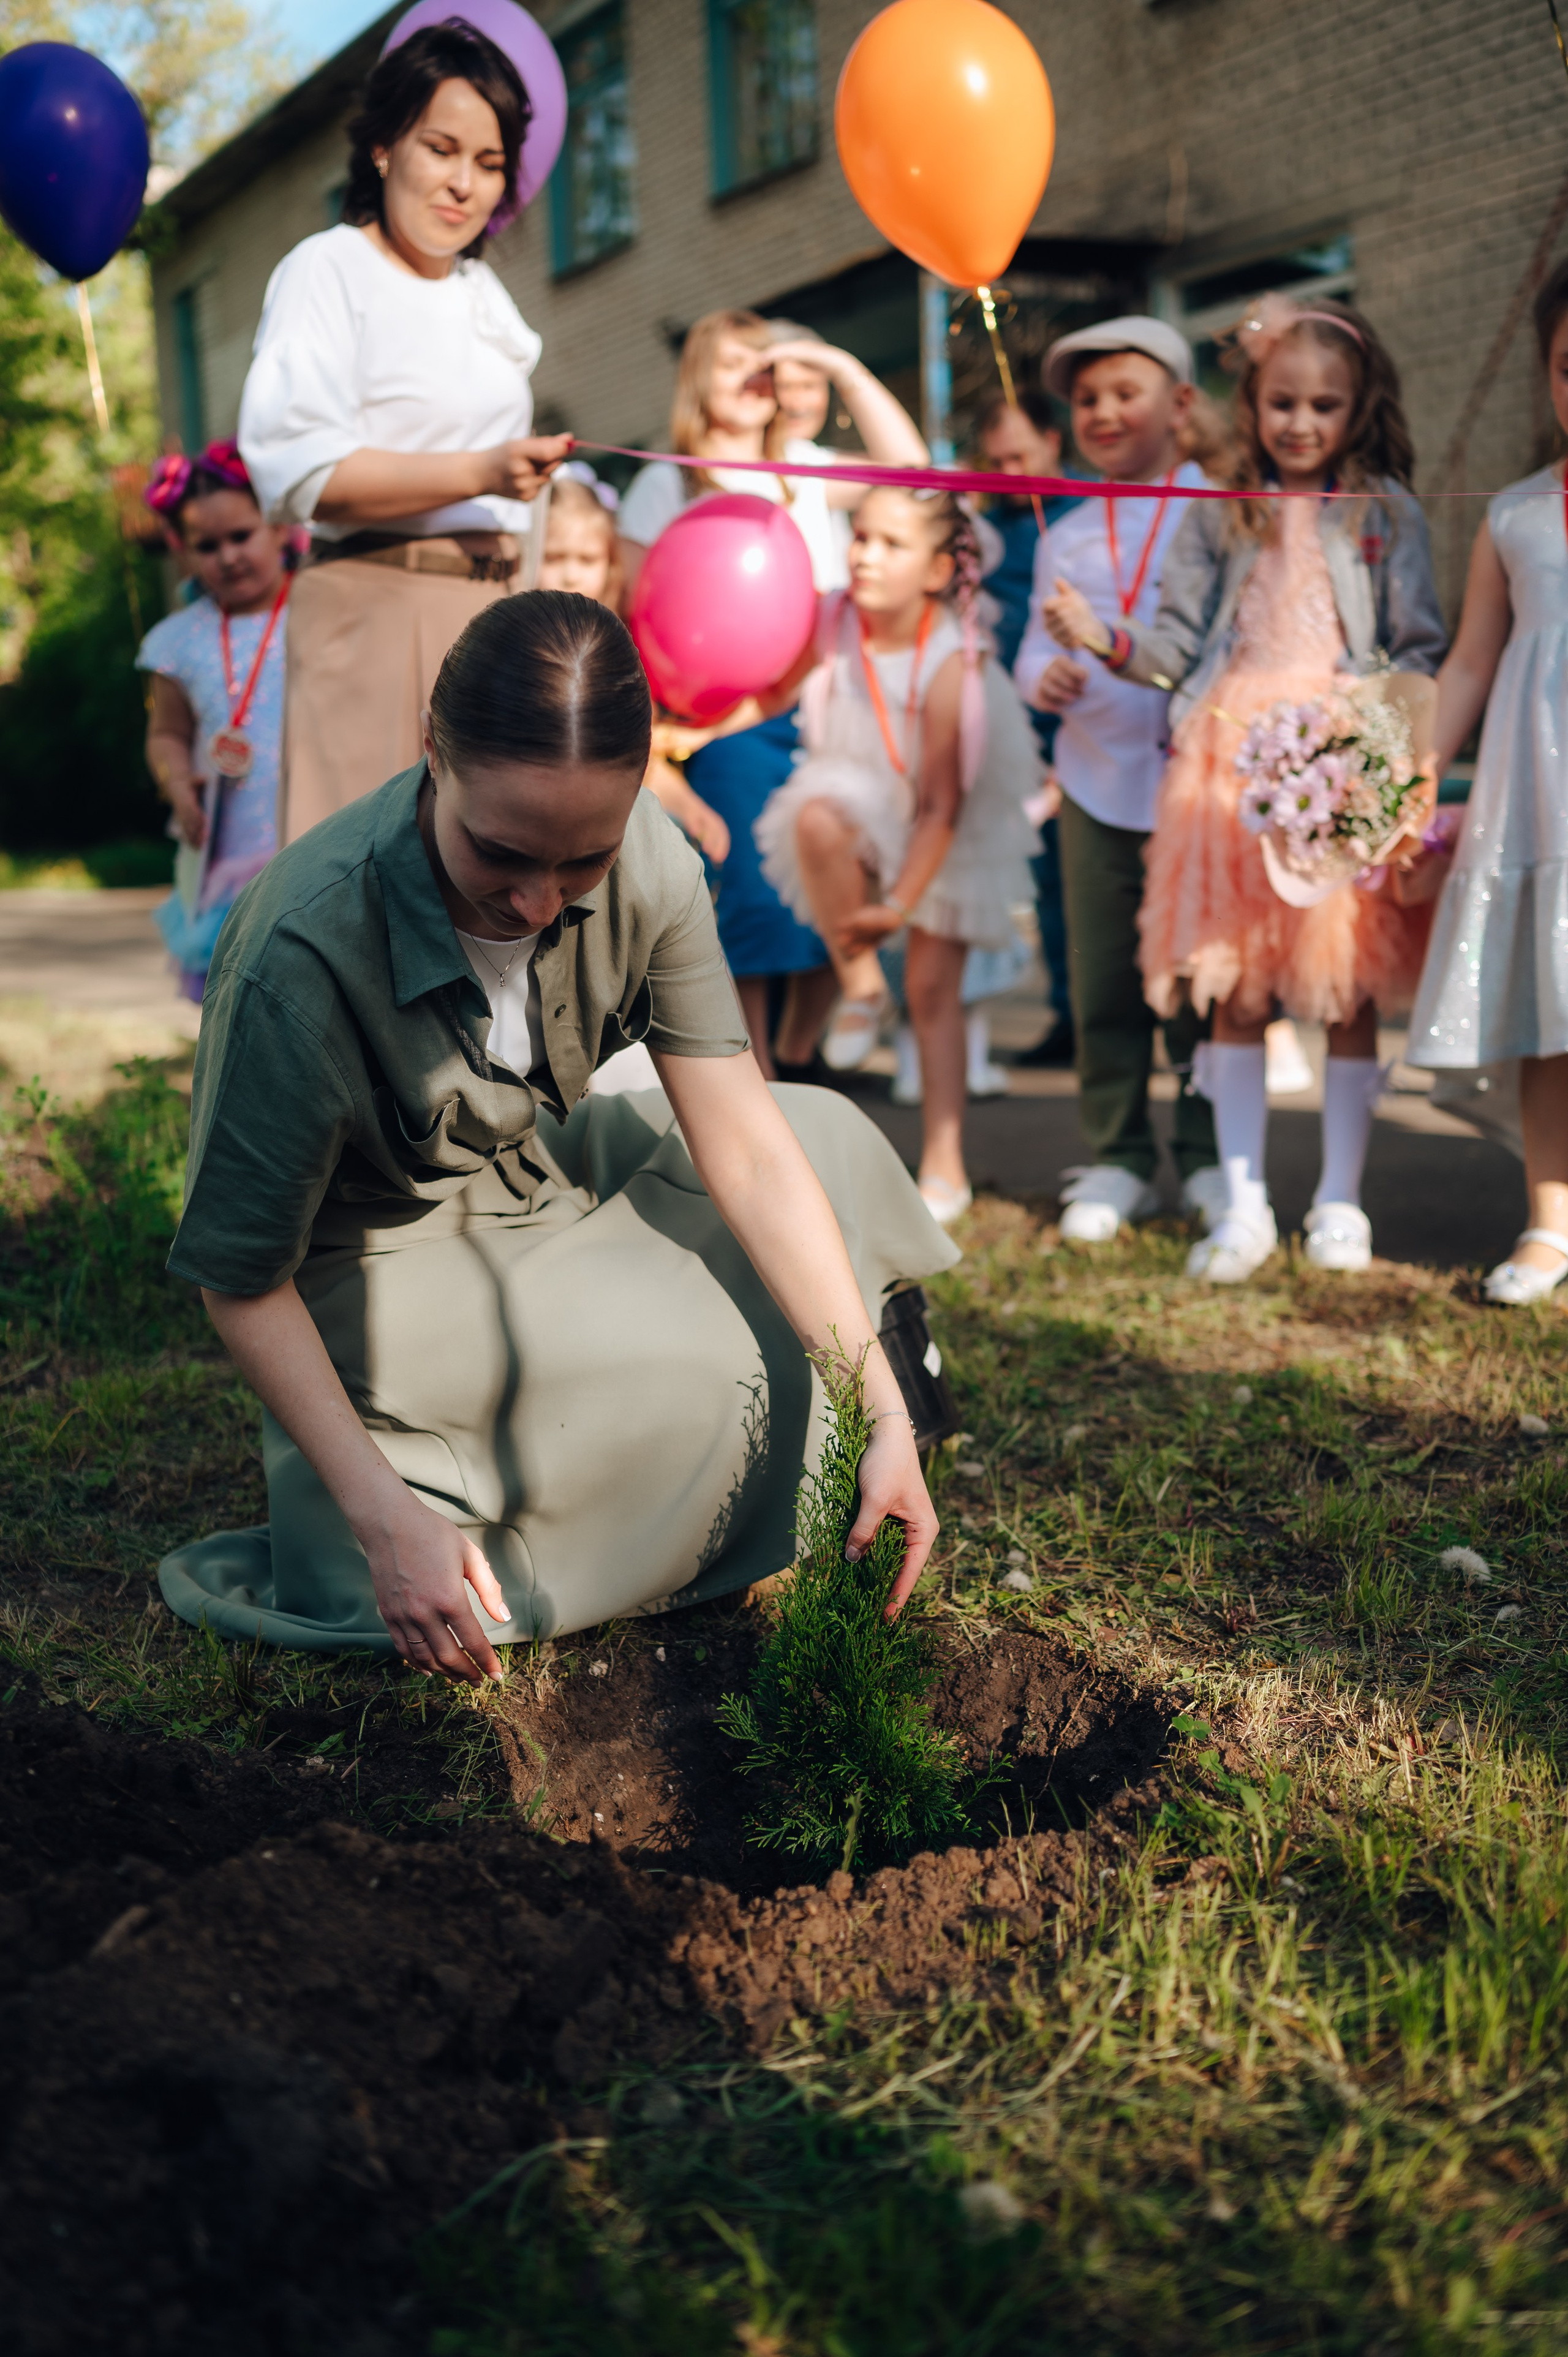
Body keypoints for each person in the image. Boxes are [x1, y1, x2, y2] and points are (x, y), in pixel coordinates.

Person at [156, 591, 954, 1667]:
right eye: (502, 855)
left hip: (534, 1177)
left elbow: (752, 1147)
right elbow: (241, 1280)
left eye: (584, 862)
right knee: (690, 1367)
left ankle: (866, 1424)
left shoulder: (657, 860)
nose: (539, 903)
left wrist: (882, 1407)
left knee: (829, 1136)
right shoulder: (300, 950)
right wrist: (384, 1517)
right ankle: (736, 1449)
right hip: (379, 1257)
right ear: (433, 752)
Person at [1044, 295, 1446, 1281]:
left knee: (1344, 983)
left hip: (1344, 756)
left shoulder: (1385, 515)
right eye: (1281, 403)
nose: (1301, 424)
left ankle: (1341, 1200)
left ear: (1360, 408)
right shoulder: (1221, 512)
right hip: (1230, 762)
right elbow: (1179, 646)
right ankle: (1246, 1205)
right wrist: (1109, 641)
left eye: (1325, 405)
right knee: (1237, 980)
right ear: (1251, 404)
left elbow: (1422, 644)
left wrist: (1387, 747)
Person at [237, 21, 570, 843]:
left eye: (489, 164)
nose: (464, 183)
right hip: (373, 607)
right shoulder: (330, 268)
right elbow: (298, 475)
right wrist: (483, 472)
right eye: (441, 148)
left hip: (495, 615)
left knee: (500, 907)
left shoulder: (484, 295)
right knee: (365, 908)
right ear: (384, 147)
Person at [616, 310, 928, 1079]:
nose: (756, 375)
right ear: (697, 380)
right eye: (734, 364)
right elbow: (632, 601)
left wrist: (841, 367)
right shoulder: (667, 478)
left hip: (828, 711)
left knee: (840, 889)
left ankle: (800, 1060)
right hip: (728, 721)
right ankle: (748, 1082)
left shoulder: (804, 467)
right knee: (752, 907)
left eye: (767, 363)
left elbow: (914, 471)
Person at [753, 487, 1040, 1224]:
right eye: (860, 534)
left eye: (889, 544)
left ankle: (944, 1164)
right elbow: (768, 687)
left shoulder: (951, 662)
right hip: (860, 787)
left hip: (951, 811)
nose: (864, 554)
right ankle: (860, 988)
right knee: (813, 815)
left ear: (940, 570)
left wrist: (898, 905)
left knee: (934, 988)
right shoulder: (830, 618)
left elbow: (943, 805)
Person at [1014, 318, 1220, 1243]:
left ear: (1180, 404)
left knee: (1202, 989)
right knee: (1102, 982)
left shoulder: (1222, 508)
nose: (1101, 412)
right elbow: (1028, 650)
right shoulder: (1062, 532)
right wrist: (1043, 679)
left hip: (1200, 791)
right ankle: (1120, 1154)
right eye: (1086, 399)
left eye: (1123, 393)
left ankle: (1216, 1154)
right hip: (1095, 785)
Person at [1405, 259, 1568, 1304]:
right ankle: (1552, 1220)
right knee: (1553, 1017)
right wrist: (1417, 771)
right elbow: (1469, 658)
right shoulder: (1514, 514)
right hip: (1544, 794)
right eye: (1567, 367)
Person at [138, 440, 293, 1000]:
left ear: (278, 526)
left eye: (241, 536)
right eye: (207, 545)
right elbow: (168, 733)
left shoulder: (321, 613)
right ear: (183, 551)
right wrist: (176, 782)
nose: (227, 557)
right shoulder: (177, 641)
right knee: (241, 1007)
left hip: (314, 838)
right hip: (230, 855)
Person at [975, 388, 1083, 1068]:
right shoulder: (989, 527)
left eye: (1019, 456)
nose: (1009, 473)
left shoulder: (1090, 514)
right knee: (1047, 881)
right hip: (1018, 734)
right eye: (995, 462)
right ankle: (1070, 1016)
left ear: (1052, 439)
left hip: (1085, 727)